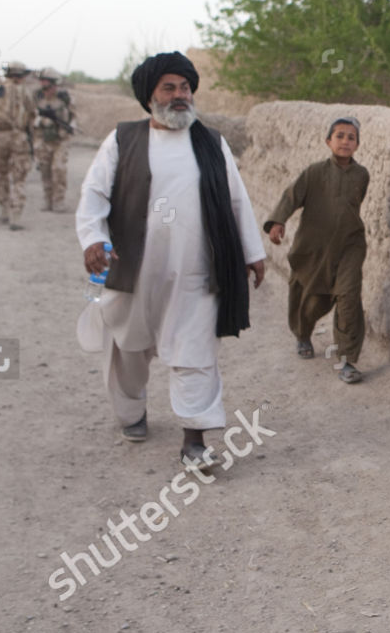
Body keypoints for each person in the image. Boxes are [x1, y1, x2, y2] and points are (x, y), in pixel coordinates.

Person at [75, 51, 268, 471]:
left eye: (185, 87)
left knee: (195, 350)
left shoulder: (211, 141)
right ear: (150, 96)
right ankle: (131, 411)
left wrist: (253, 252)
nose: (180, 95)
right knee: (128, 347)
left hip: (196, 272)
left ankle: (194, 442)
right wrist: (93, 239)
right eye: (169, 88)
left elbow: (238, 201)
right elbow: (94, 196)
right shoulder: (123, 140)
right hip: (135, 270)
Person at [263, 116, 368, 384]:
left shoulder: (361, 175)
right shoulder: (314, 172)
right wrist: (277, 221)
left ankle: (347, 360)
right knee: (309, 297)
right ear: (328, 141)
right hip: (313, 248)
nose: (345, 141)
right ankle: (302, 333)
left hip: (349, 246)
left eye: (351, 137)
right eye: (340, 136)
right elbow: (291, 196)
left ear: (357, 144)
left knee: (348, 296)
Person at [0, 61, 35, 229]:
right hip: (17, 136)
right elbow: (32, 113)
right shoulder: (22, 91)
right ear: (19, 76)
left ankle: (3, 210)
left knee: (1, 174)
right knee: (19, 176)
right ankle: (16, 215)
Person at [33, 66, 77, 212]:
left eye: (48, 85)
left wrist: (68, 126)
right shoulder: (37, 97)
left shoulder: (65, 98)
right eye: (43, 85)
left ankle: (59, 201)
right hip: (43, 139)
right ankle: (48, 201)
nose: (46, 89)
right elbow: (31, 117)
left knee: (58, 170)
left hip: (60, 140)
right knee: (45, 170)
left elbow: (73, 118)